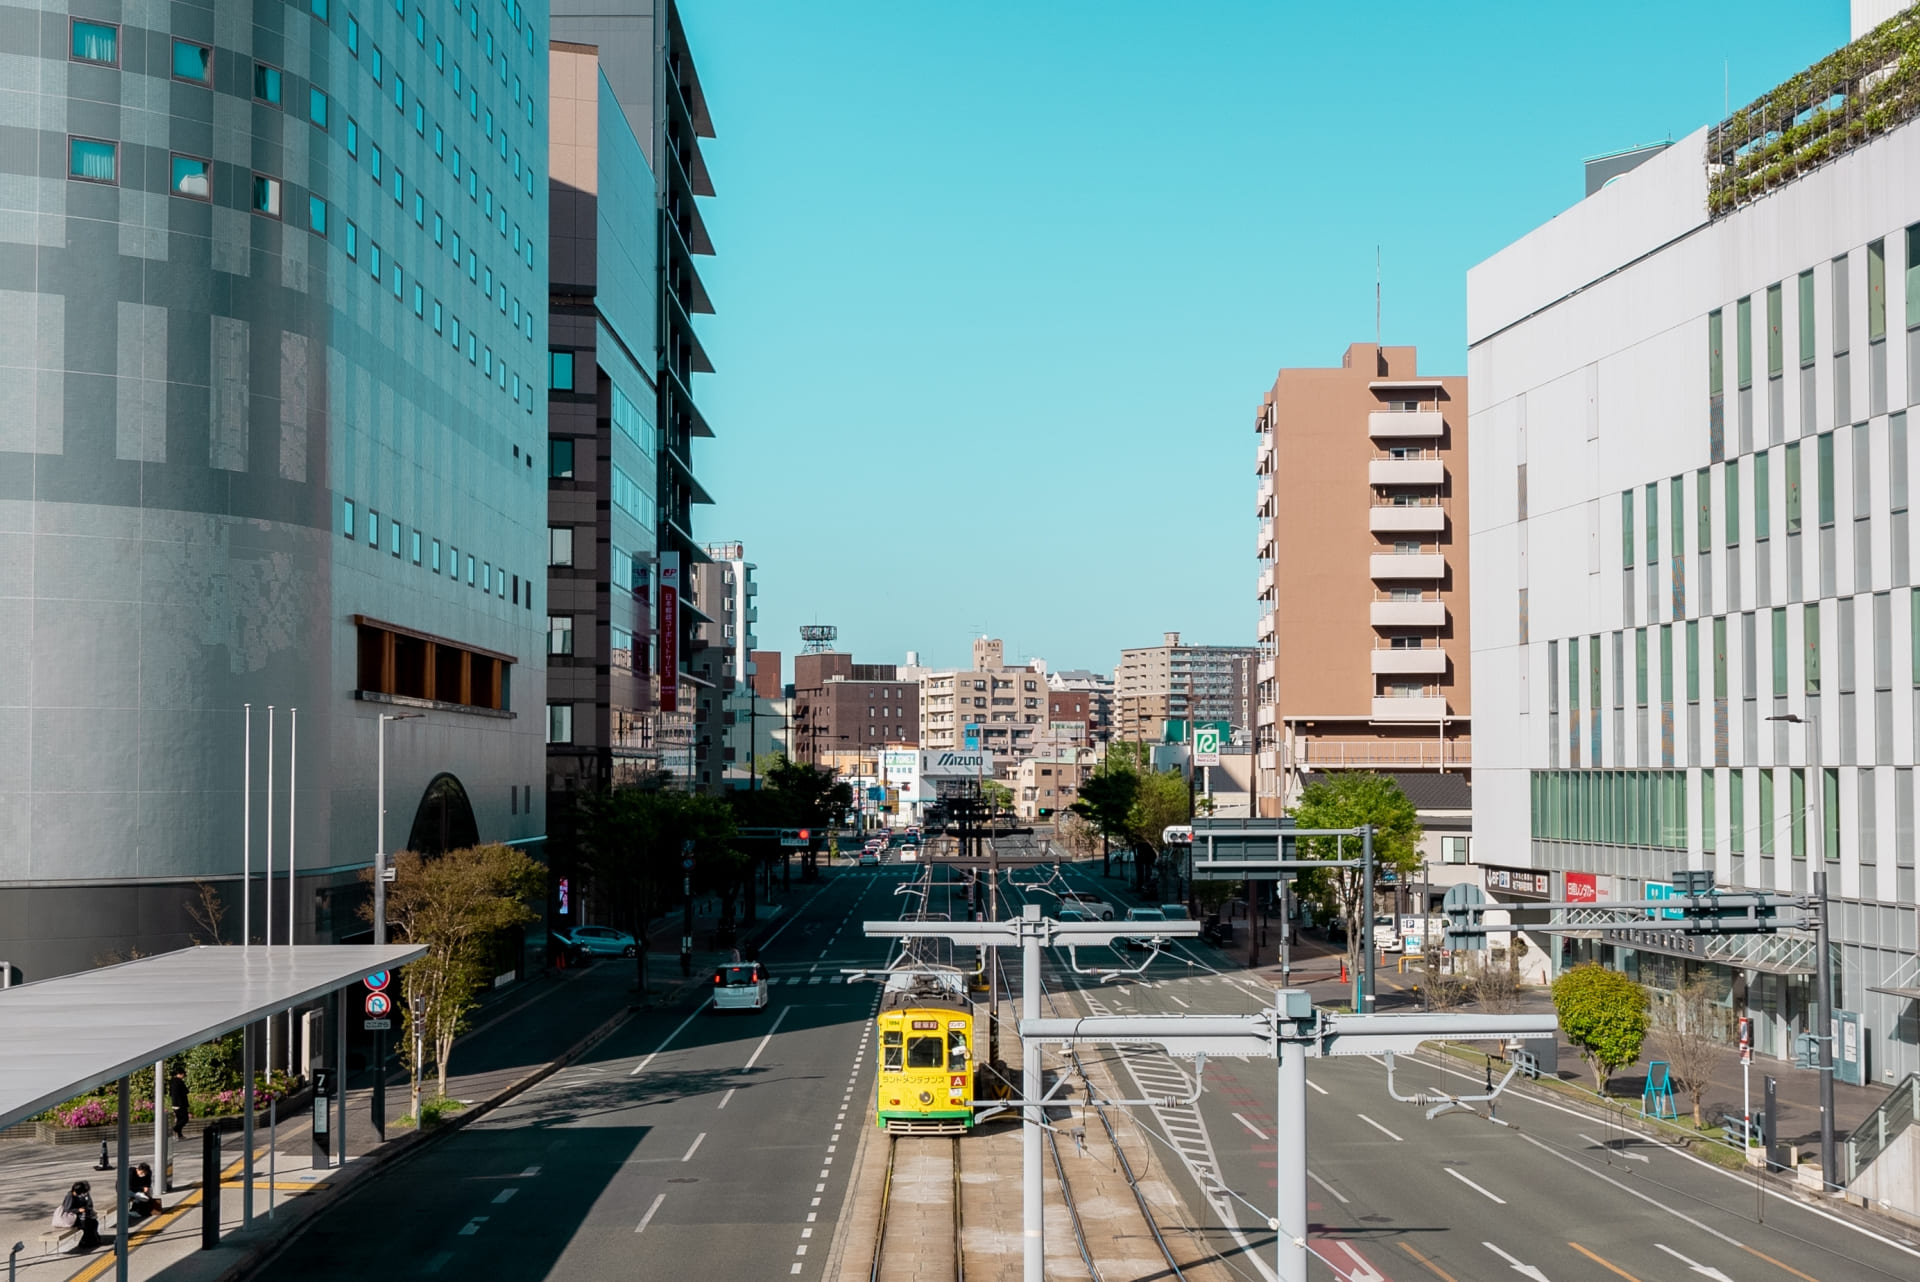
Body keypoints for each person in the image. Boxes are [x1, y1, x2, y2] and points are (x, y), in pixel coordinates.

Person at [52, 1180, 100, 1250]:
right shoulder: (70, 1196)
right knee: (89, 1224)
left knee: (93, 1222)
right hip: (70, 1219)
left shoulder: (77, 1195)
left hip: (77, 1217)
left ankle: (90, 1240)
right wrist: (78, 1210)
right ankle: (85, 1241)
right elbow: (67, 1209)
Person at [168, 1068, 189, 1140]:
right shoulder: (179, 1082)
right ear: (181, 1074)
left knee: (179, 1119)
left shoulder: (172, 1082)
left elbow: (171, 1093)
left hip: (174, 1103)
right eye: (184, 1075)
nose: (184, 1076)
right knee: (185, 1119)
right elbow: (185, 1091)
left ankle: (179, 1135)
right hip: (181, 1104)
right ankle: (175, 1129)